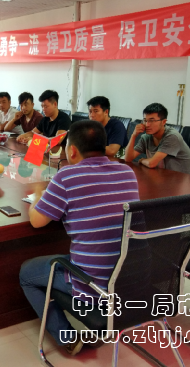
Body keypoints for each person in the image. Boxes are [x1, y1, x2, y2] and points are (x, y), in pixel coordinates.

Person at [19, 120, 140, 355]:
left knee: (27, 273)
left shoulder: (67, 175)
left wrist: (38, 196)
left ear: (72, 150)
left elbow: (36, 221)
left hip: (93, 283)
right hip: (128, 277)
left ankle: (67, 337)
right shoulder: (127, 172)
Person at [124, 103, 190, 175]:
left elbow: (151, 163)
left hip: (181, 179)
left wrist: (142, 160)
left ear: (163, 122)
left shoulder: (172, 136)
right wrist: (133, 135)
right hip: (161, 177)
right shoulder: (146, 137)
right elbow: (128, 158)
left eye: (152, 121)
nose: (147, 124)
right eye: (145, 120)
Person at [16, 90, 70, 154]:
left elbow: (57, 140)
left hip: (61, 154)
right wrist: (23, 136)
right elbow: (33, 133)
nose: (43, 109)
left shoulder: (64, 118)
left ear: (55, 104)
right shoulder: (45, 119)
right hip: (47, 152)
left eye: (46, 106)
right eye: (42, 106)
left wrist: (36, 139)